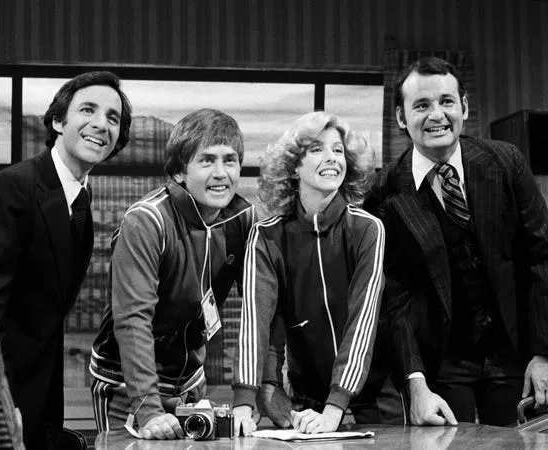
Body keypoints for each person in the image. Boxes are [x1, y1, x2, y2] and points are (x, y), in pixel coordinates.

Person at [0, 70, 132, 448]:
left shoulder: (81, 199)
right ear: (57, 121)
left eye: (112, 118)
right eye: (88, 110)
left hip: (41, 395)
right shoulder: (14, 188)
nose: (101, 124)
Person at [365, 56, 548, 426]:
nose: (437, 115)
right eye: (421, 105)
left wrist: (544, 354)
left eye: (447, 101)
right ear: (401, 118)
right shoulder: (383, 193)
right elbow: (392, 302)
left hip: (515, 353)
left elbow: (542, 258)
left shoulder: (506, 162)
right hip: (440, 364)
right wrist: (414, 383)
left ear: (464, 107)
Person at [90, 108, 256, 440]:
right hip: (127, 387)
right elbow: (133, 319)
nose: (221, 173)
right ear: (180, 171)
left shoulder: (243, 217)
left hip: (191, 384)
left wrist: (245, 402)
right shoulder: (147, 220)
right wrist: (148, 409)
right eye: (207, 160)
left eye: (230, 160)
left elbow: (258, 312)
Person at [232, 111, 386, 435]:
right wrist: (245, 401)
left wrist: (334, 409)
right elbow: (256, 322)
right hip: (301, 405)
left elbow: (363, 322)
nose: (331, 158)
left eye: (338, 150)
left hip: (367, 404)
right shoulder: (267, 235)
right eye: (316, 149)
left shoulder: (367, 229)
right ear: (293, 166)